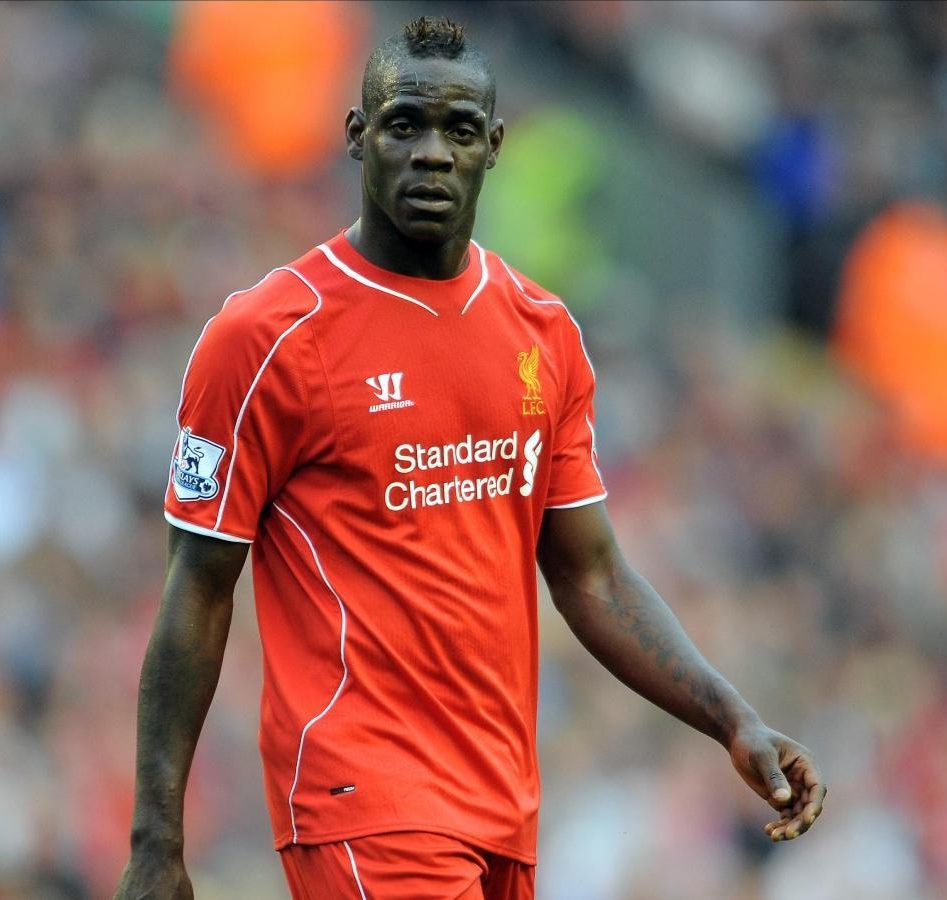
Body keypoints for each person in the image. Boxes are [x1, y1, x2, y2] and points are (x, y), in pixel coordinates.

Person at [115, 17, 826, 900]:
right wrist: (156, 843)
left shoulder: (541, 333)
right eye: (403, 125)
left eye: (458, 132)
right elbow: (197, 590)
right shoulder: (267, 338)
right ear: (356, 137)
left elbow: (593, 577)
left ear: (494, 148)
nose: (431, 154)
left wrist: (733, 718)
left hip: (503, 811)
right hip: (362, 803)